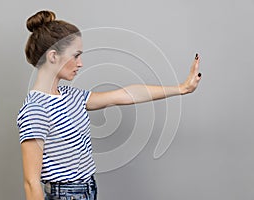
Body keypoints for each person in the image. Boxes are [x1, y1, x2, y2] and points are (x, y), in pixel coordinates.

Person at [17, 10, 202, 200]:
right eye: (76, 55)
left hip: (87, 190)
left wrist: (181, 88)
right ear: (53, 56)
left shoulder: (71, 95)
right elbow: (31, 182)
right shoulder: (36, 109)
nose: (80, 63)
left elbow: (125, 96)